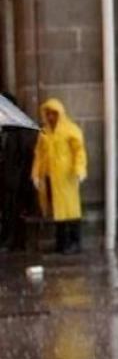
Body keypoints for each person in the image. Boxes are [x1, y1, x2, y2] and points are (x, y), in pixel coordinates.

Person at [31, 98, 87, 254]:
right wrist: (36, 174)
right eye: (48, 114)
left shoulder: (71, 130)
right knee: (57, 211)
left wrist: (79, 169)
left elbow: (79, 152)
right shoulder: (44, 133)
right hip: (51, 177)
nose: (50, 117)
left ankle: (75, 242)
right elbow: (39, 155)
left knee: (71, 210)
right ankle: (62, 242)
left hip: (67, 177)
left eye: (53, 114)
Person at [0, 93, 39, 252]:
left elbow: (26, 156)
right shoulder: (5, 130)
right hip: (5, 179)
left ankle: (14, 242)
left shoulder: (23, 132)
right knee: (7, 212)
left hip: (17, 181)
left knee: (15, 212)